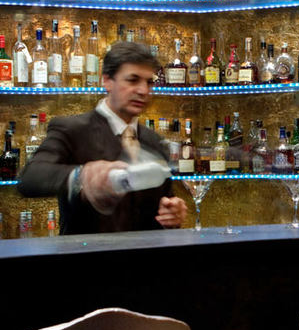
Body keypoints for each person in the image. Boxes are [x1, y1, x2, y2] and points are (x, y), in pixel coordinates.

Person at [17, 41, 187, 234]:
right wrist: (81, 175)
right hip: (87, 252)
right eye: (133, 80)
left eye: (149, 82)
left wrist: (172, 213)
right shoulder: (72, 129)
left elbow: (164, 204)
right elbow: (30, 178)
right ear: (107, 81)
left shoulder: (154, 141)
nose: (143, 90)